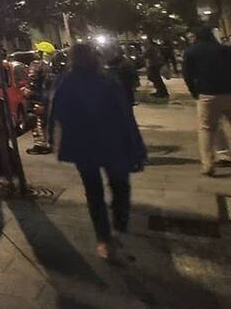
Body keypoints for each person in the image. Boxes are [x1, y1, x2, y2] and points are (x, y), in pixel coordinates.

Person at [48, 43, 146, 260]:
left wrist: (54, 139)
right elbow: (126, 117)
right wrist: (137, 147)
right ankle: (118, 229)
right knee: (120, 186)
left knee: (94, 193)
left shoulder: (65, 82)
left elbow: (55, 113)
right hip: (112, 144)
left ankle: (104, 239)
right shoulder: (108, 81)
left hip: (84, 146)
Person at [183, 26, 231, 176]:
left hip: (207, 94)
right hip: (229, 91)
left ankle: (208, 164)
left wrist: (194, 92)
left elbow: (188, 75)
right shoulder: (225, 50)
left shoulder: (191, 51)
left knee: (206, 129)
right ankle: (224, 154)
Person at [24, 51, 53, 154]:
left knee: (35, 120)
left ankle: (40, 144)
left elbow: (33, 80)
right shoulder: (47, 66)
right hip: (44, 97)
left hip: (36, 98)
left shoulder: (36, 66)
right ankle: (48, 143)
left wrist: (29, 92)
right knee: (44, 121)